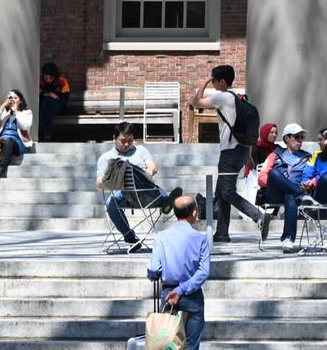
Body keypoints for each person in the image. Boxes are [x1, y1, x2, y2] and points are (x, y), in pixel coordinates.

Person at [196, 64, 265, 243]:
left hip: (229, 152)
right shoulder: (240, 98)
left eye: (214, 80)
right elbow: (245, 128)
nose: (213, 83)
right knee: (221, 192)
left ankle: (258, 216)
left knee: (226, 192)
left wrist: (202, 84)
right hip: (241, 150)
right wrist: (248, 154)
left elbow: (196, 103)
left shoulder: (223, 96)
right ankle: (222, 233)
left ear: (222, 81)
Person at [97, 124, 182, 253]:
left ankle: (166, 201)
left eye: (130, 141)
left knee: (141, 178)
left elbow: (152, 166)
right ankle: (130, 238)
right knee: (110, 202)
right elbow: (99, 182)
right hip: (123, 194)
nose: (126, 144)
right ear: (114, 138)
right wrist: (108, 179)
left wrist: (148, 172)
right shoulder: (106, 158)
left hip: (145, 190)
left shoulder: (140, 150)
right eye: (122, 141)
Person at [145, 193, 211, 350]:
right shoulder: (200, 239)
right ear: (194, 212)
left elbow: (154, 269)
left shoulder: (161, 237)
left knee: (167, 345)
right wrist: (182, 290)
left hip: (168, 295)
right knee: (191, 345)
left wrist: (154, 275)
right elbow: (204, 271)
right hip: (192, 297)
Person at [259, 123, 316, 253]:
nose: (300, 140)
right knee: (274, 173)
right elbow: (262, 177)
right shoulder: (275, 155)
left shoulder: (307, 157)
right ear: (286, 138)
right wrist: (281, 182)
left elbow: (313, 175)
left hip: (293, 194)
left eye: (302, 137)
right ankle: (300, 194)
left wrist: (310, 183)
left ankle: (288, 240)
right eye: (297, 137)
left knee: (290, 195)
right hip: (275, 192)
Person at [37, 62, 72, 142]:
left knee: (48, 103)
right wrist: (42, 93)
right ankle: (48, 136)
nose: (48, 80)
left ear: (55, 76)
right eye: (46, 78)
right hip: (45, 107)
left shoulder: (62, 81)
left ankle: (47, 135)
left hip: (58, 106)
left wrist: (55, 97)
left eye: (50, 78)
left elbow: (64, 101)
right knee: (47, 108)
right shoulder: (39, 81)